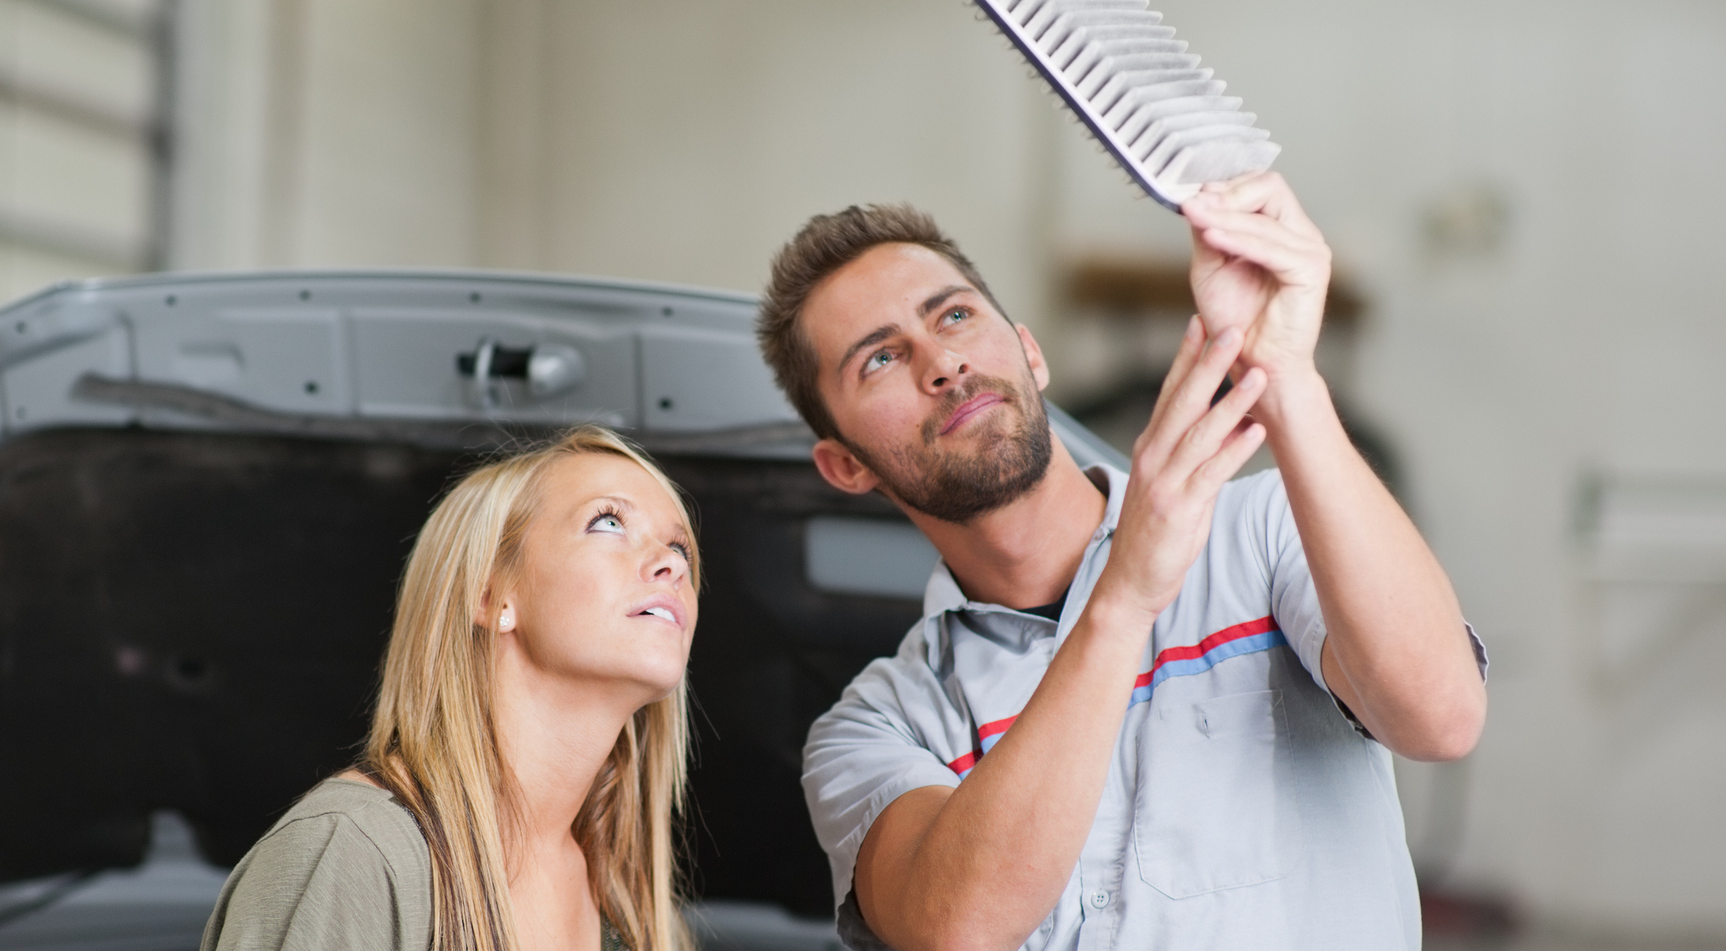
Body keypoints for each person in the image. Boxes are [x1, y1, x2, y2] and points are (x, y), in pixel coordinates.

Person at [758, 172, 1489, 950]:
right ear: (844, 466)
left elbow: (1441, 715)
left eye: (957, 315)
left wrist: (1290, 380)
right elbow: (955, 926)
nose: (941, 362)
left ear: (1029, 352)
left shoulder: (1264, 529)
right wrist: (1125, 592)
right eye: (879, 360)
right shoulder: (878, 725)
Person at [202, 426, 699, 951]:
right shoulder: (352, 854)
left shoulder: (627, 903)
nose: (672, 564)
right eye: (608, 522)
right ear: (489, 594)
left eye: (679, 546)